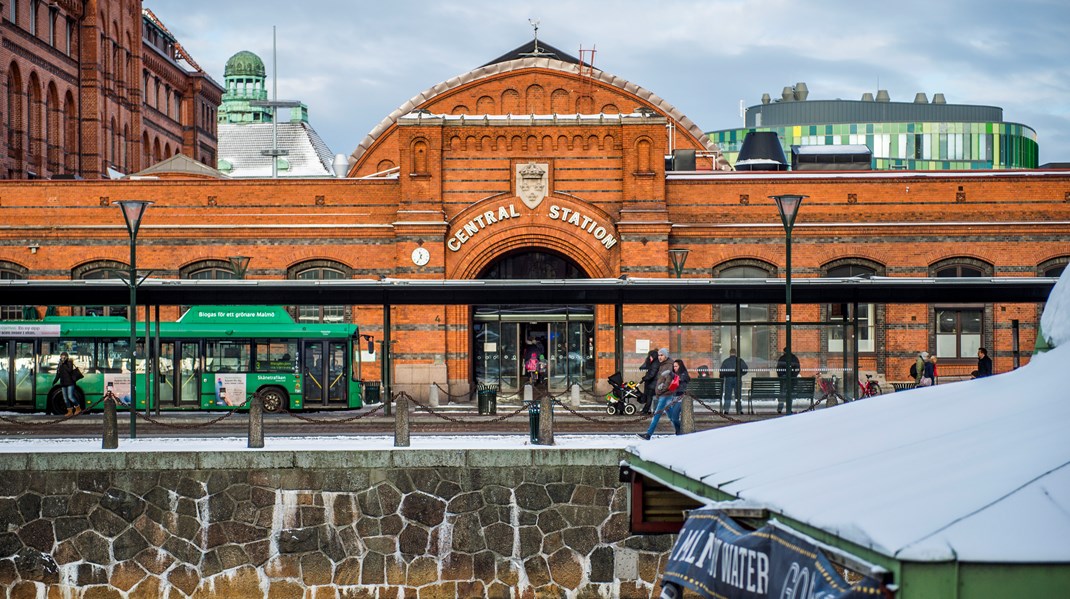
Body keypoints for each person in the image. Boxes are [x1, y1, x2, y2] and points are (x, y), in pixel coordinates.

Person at [638, 349, 685, 439]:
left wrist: (661, 390)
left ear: (666, 356)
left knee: (656, 415)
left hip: (665, 393)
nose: (660, 357)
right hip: (665, 393)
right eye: (659, 355)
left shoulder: (668, 365)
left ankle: (648, 434)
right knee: (671, 416)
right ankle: (679, 431)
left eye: (662, 355)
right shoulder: (663, 364)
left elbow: (668, 380)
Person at [719, 348, 748, 414]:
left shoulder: (726, 361)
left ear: (730, 353)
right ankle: (739, 409)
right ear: (735, 353)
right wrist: (740, 374)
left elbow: (721, 372)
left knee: (728, 395)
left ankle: (726, 410)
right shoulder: (739, 360)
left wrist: (723, 377)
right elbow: (745, 369)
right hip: (737, 379)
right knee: (738, 395)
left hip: (728, 379)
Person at [53, 352, 82, 416]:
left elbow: (69, 370)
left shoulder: (69, 362)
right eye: (61, 356)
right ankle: (70, 411)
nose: (62, 358)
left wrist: (64, 363)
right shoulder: (60, 364)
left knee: (70, 397)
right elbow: (58, 374)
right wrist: (55, 381)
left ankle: (78, 408)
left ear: (66, 357)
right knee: (65, 399)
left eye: (63, 357)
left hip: (70, 383)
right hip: (63, 383)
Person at [775, 347, 800, 414]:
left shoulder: (782, 358)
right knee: (790, 394)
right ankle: (789, 408)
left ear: (784, 352)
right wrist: (793, 376)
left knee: (782, 394)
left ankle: (780, 408)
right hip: (792, 380)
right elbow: (797, 369)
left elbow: (778, 369)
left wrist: (782, 376)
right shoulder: (794, 358)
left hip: (783, 380)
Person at [637, 349, 659, 414]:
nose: (650, 358)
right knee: (649, 397)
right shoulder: (655, 363)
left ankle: (645, 410)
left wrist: (645, 378)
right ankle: (647, 410)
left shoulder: (655, 364)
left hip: (653, 383)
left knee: (649, 397)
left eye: (651, 356)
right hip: (652, 383)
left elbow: (651, 374)